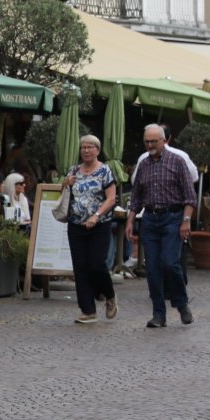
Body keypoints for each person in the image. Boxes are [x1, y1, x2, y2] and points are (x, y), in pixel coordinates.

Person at [125, 123, 195, 328]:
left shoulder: (178, 161)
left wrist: (186, 221)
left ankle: (181, 303)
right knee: (153, 268)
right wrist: (130, 220)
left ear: (164, 141)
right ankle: (158, 314)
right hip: (149, 219)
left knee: (170, 263)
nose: (150, 145)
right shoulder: (143, 164)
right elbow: (136, 197)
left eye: (154, 141)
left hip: (173, 217)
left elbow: (190, 197)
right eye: (147, 142)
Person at [61, 136, 118, 324]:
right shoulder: (73, 170)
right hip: (76, 224)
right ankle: (88, 310)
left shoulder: (104, 171)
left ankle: (109, 295)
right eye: (83, 147)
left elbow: (111, 198)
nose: (86, 150)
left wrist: (96, 215)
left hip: (99, 225)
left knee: (97, 264)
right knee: (80, 268)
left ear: (97, 150)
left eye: (90, 147)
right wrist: (65, 184)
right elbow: (65, 193)